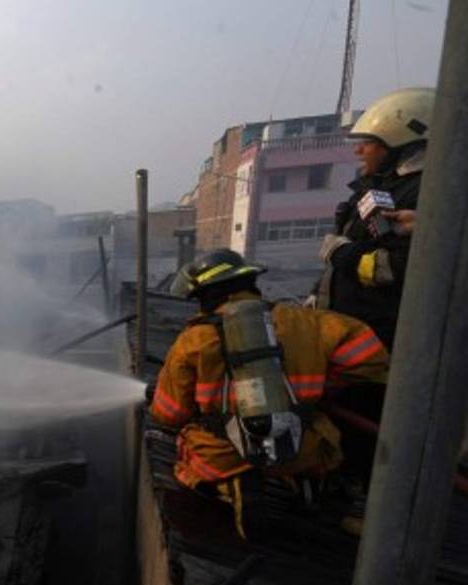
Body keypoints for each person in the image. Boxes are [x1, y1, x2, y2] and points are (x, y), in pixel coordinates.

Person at [151, 249, 389, 539]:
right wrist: (321, 378)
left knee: (191, 451)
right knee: (318, 436)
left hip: (227, 454)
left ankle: (237, 487)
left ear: (205, 296)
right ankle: (307, 480)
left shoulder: (193, 341)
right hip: (302, 445)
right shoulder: (309, 321)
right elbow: (373, 360)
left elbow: (169, 413)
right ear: (250, 283)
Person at [316, 87, 434, 351]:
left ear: (398, 145)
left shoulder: (428, 192)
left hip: (385, 343)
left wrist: (347, 257)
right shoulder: (373, 187)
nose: (358, 151)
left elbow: (408, 267)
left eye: (367, 143)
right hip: (352, 334)